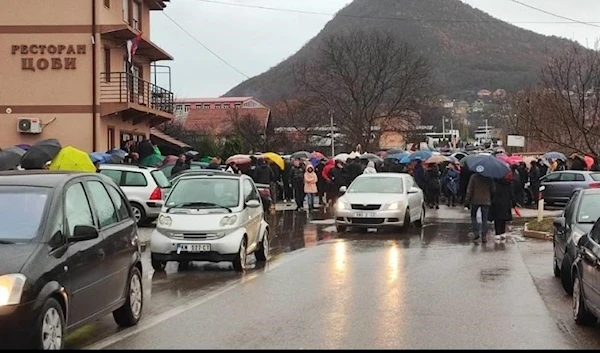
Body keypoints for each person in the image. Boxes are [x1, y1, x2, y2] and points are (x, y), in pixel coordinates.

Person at [465, 173, 495, 243]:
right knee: (484, 218)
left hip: (475, 200)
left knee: (473, 216)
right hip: (486, 200)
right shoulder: (489, 177)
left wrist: (467, 200)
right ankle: (484, 235)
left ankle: (476, 233)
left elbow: (470, 189)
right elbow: (493, 189)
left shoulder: (474, 177)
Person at [489, 171, 516, 240]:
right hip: (505, 203)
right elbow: (511, 194)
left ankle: (497, 233)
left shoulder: (494, 183)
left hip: (496, 202)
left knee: (497, 219)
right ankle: (502, 232)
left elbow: (492, 192)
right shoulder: (508, 183)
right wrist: (514, 203)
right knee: (503, 218)